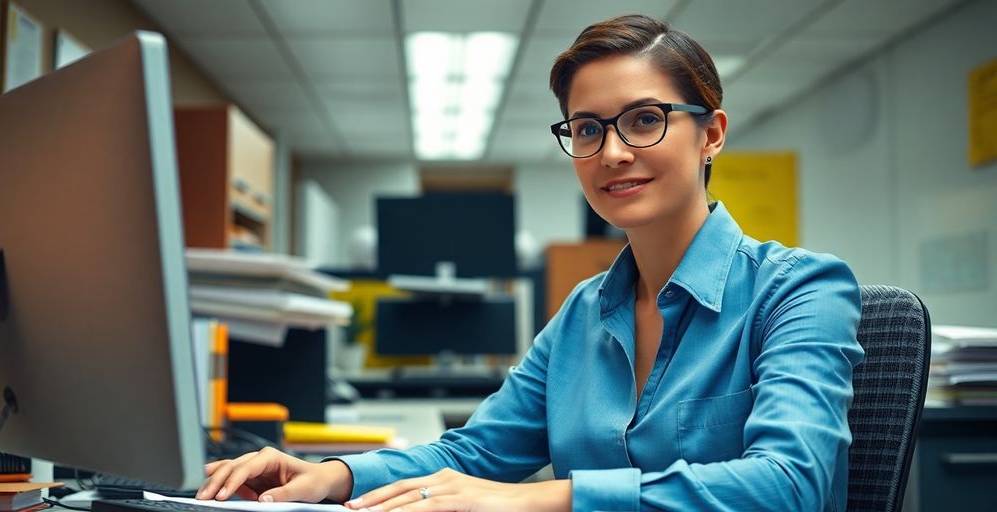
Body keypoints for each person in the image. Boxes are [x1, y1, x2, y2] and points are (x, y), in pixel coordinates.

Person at [196, 14, 864, 512]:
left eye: (644, 120)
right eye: (587, 128)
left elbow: (790, 483)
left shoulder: (799, 290)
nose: (612, 153)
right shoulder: (582, 315)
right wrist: (332, 476)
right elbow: (475, 453)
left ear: (711, 134)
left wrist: (536, 499)